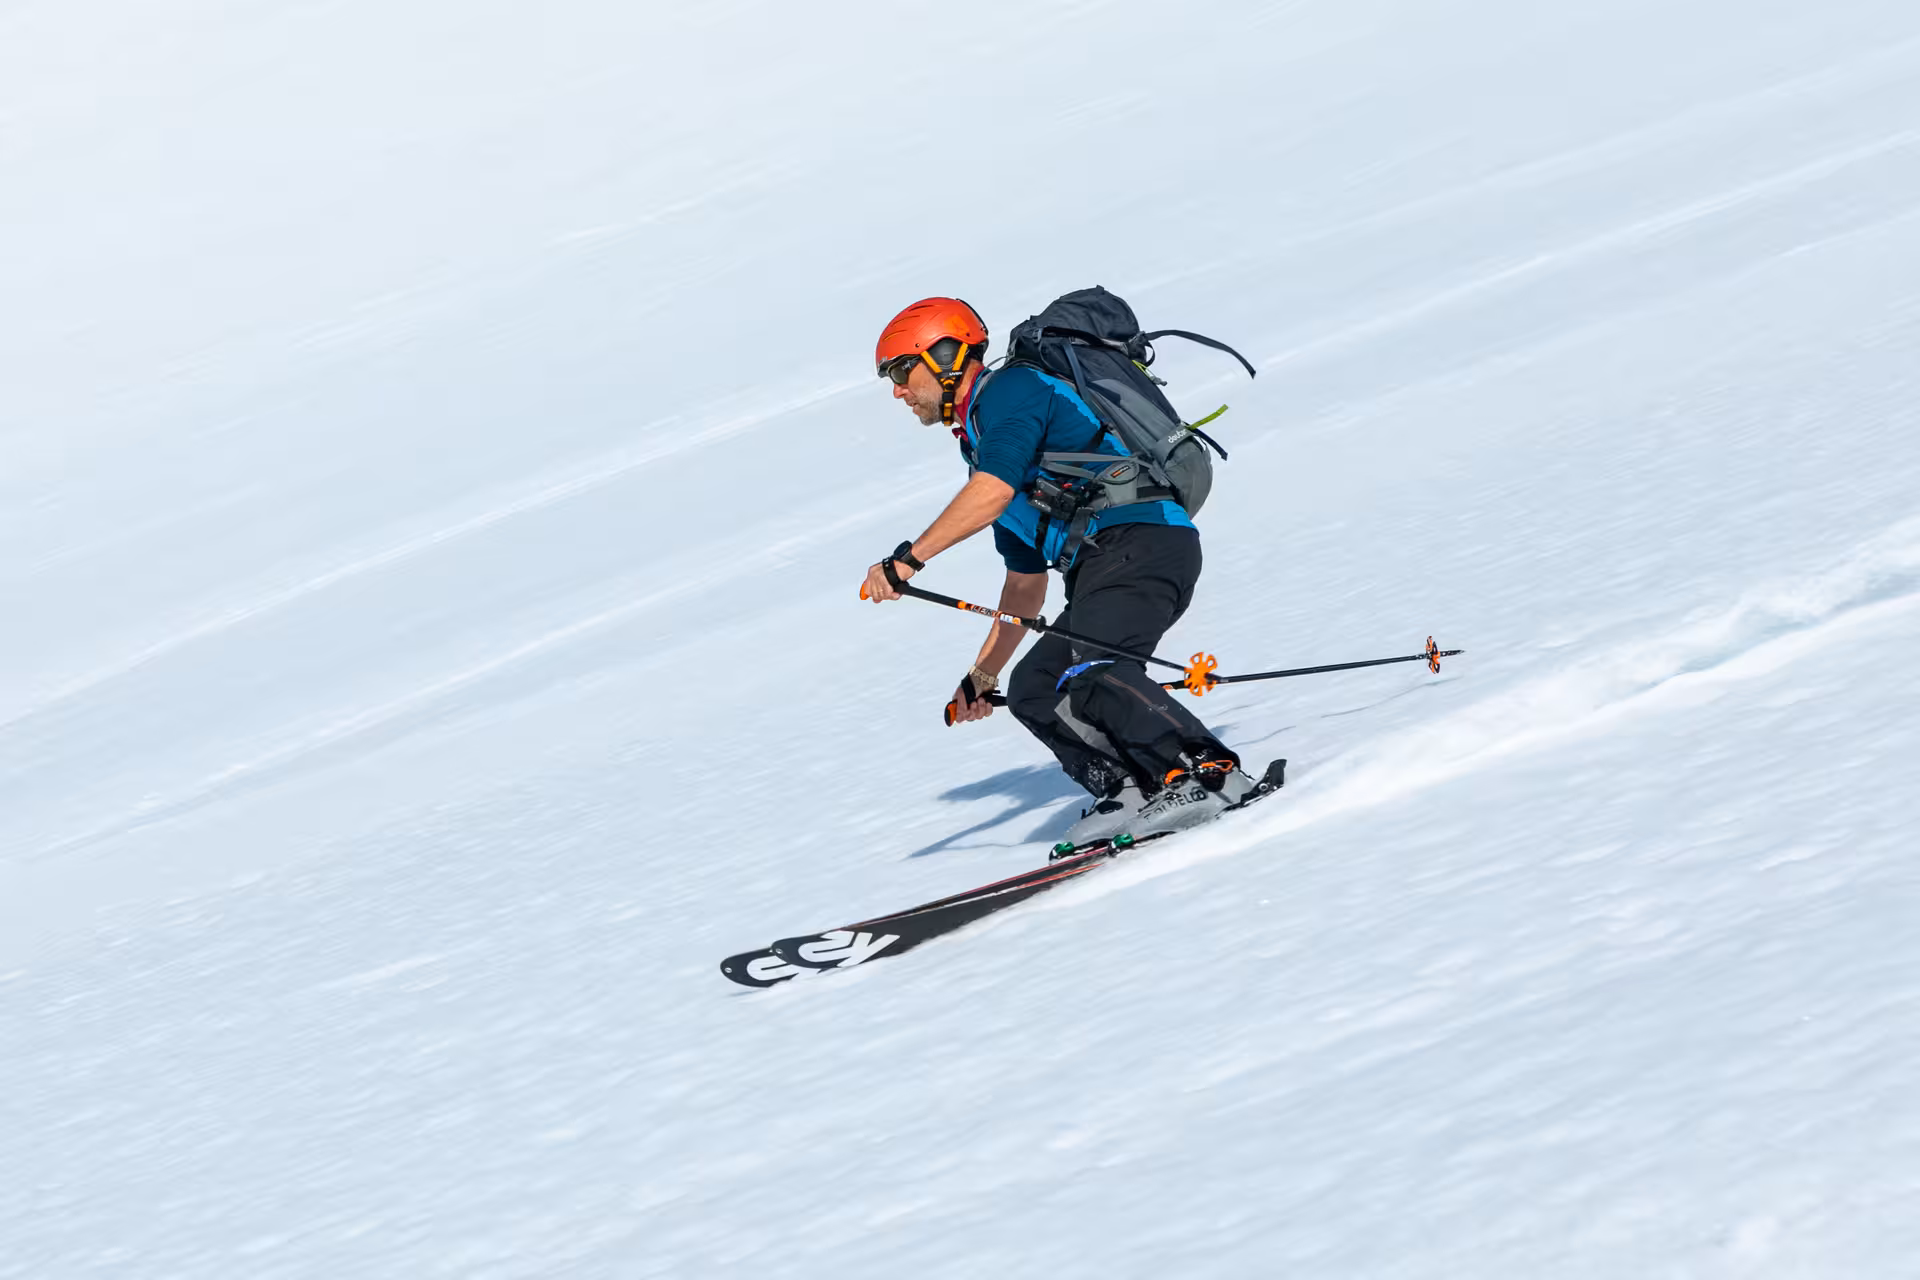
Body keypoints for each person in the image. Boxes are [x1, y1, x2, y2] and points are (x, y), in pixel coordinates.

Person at [861, 296, 1255, 843]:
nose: (899, 391)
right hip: (1104, 564)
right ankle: (1132, 787)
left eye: (903, 372)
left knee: (1093, 669)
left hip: (1143, 542)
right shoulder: (982, 444)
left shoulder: (1012, 392)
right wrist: (983, 677)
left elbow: (992, 494)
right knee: (1034, 687)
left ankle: (1210, 772)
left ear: (948, 356)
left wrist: (908, 559)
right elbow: (1024, 584)